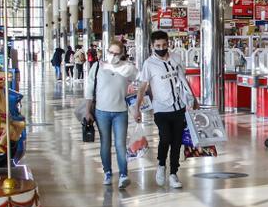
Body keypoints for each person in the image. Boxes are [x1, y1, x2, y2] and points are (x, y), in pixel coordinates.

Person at [135, 31, 197, 189]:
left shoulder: (176, 58)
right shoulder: (149, 64)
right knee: (165, 138)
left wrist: (193, 98)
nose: (161, 48)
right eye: (157, 46)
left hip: (179, 107)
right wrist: (137, 108)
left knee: (177, 142)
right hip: (161, 109)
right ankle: (161, 165)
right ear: (152, 46)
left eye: (164, 45)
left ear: (168, 44)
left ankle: (173, 173)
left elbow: (183, 80)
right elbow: (143, 87)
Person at [84, 41, 138, 188]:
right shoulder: (97, 67)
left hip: (121, 112)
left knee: (120, 144)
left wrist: (137, 105)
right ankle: (107, 172)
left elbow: (140, 82)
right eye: (111, 52)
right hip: (101, 112)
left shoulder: (128, 68)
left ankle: (123, 174)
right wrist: (88, 111)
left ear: (121, 54)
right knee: (105, 144)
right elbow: (89, 90)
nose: (112, 56)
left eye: (116, 53)